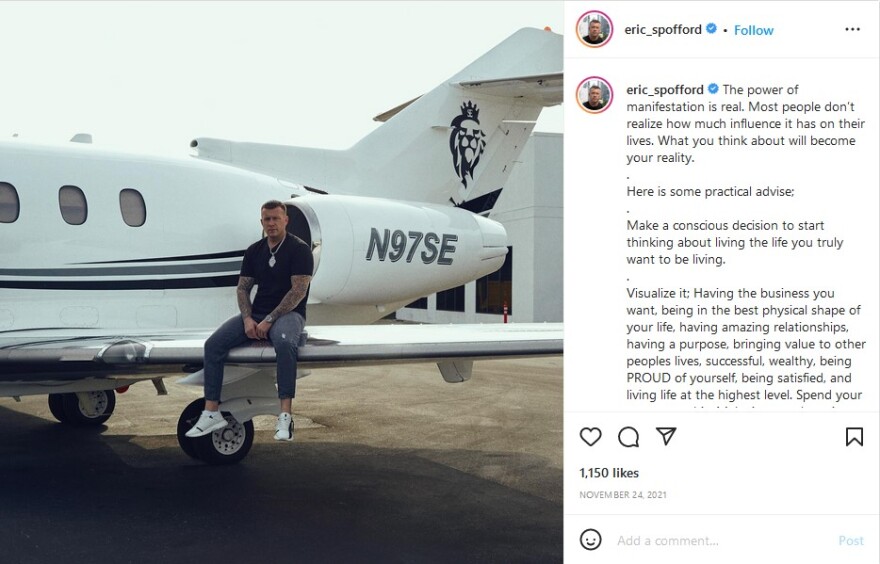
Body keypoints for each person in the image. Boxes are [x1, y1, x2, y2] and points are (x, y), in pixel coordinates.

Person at [186, 200, 313, 441]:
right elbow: (243, 288)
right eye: (267, 219)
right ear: (261, 222)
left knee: (285, 344)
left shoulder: (299, 249)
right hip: (256, 314)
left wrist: (269, 319)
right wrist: (247, 319)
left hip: (289, 314)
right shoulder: (255, 250)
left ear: (286, 220)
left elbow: (298, 292)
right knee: (213, 345)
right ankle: (211, 411)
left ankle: (285, 415)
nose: (271, 223)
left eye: (276, 218)